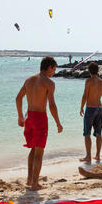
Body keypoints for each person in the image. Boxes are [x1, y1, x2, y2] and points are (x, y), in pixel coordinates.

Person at [16, 56, 63, 191]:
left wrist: (20, 117)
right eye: (54, 69)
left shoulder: (29, 80)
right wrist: (58, 123)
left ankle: (30, 180)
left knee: (33, 148)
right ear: (49, 68)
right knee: (39, 152)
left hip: (29, 117)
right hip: (40, 118)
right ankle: (35, 183)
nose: (54, 72)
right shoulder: (49, 83)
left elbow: (18, 98)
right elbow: (52, 105)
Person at [79, 62, 102, 164]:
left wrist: (81, 107)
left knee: (87, 133)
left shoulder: (88, 81)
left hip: (90, 109)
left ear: (89, 71)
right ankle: (98, 155)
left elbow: (85, 95)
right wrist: (101, 108)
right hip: (99, 109)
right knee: (99, 133)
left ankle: (88, 156)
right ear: (98, 71)